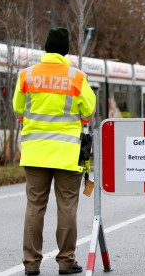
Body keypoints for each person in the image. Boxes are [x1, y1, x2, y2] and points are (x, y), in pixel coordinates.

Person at [12, 27, 96, 275]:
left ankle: (31, 264)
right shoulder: (76, 77)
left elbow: (18, 110)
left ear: (46, 48)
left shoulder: (26, 75)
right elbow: (89, 113)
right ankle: (66, 262)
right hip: (67, 153)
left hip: (35, 151)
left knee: (35, 206)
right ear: (66, 50)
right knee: (67, 207)